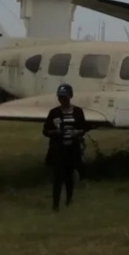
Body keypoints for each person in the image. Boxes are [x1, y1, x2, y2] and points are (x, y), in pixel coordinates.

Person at [42, 84, 90, 212]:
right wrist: (54, 133)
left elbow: (84, 128)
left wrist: (78, 132)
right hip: (58, 149)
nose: (62, 100)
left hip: (72, 149)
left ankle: (69, 199)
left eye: (64, 97)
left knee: (69, 176)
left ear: (70, 96)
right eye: (60, 97)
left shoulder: (78, 112)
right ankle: (55, 205)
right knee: (57, 178)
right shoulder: (54, 112)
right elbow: (45, 131)